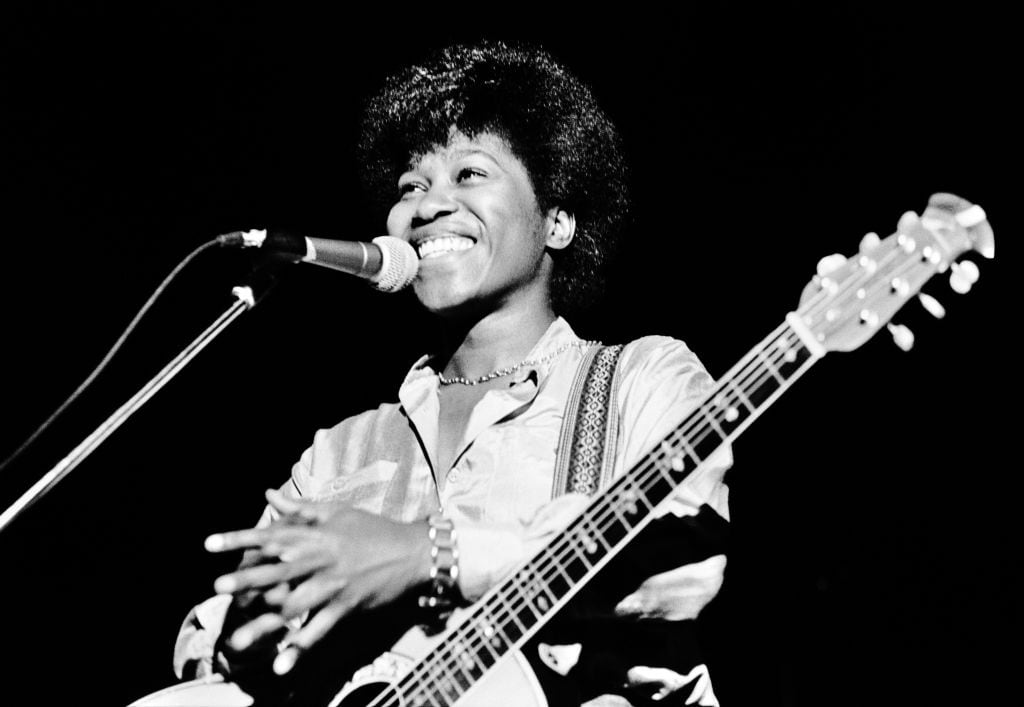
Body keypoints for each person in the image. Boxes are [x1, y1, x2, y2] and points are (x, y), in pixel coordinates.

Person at [172, 40, 731, 707]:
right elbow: (213, 647)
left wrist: (432, 554)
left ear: (557, 221)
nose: (427, 205)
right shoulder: (339, 452)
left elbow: (674, 559)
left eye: (469, 173)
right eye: (411, 185)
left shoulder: (636, 379)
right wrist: (245, 633)